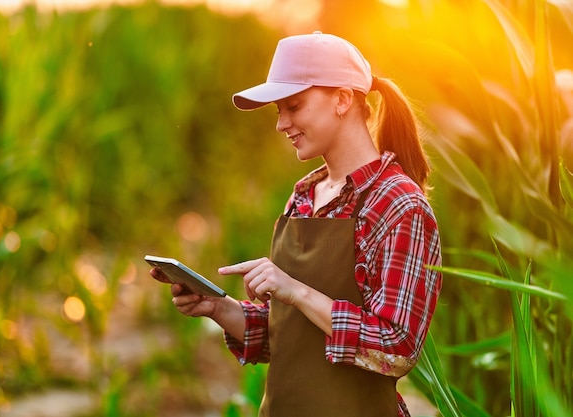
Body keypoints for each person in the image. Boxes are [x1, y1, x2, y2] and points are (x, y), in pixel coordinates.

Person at [150, 31, 443, 417]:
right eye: (278, 110)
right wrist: (218, 309)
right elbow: (291, 336)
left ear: (342, 99)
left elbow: (396, 348)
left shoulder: (399, 205)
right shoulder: (304, 196)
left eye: (294, 106)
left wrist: (295, 290)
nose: (281, 124)